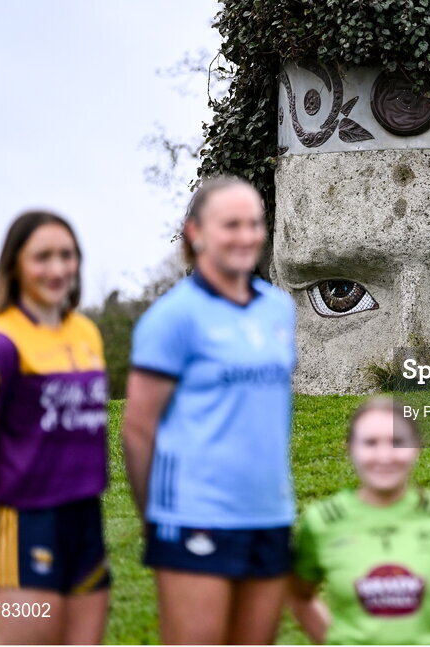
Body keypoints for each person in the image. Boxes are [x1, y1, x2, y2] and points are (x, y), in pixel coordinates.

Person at [121, 176, 296, 644]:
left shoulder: (280, 310)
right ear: (195, 232)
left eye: (255, 223)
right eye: (231, 225)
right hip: (194, 516)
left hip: (269, 515)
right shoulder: (172, 318)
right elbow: (138, 430)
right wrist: (156, 518)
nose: (246, 236)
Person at [0, 211, 110, 644]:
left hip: (86, 525)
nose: (57, 269)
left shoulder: (87, 333)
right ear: (15, 265)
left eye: (66, 255)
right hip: (22, 529)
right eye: (42, 257)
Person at [290, 397, 430, 644]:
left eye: (397, 442)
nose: (384, 456)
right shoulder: (321, 522)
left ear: (417, 447)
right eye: (370, 443)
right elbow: (299, 595)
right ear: (350, 448)